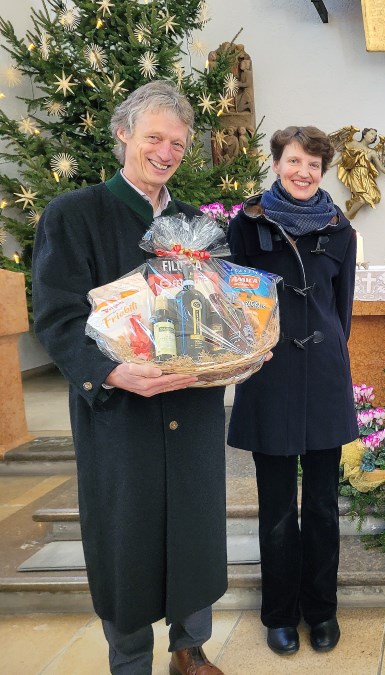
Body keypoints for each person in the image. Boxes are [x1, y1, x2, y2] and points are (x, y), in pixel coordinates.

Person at [32, 81, 228, 674]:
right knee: (126, 543)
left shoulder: (198, 225)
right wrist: (111, 373)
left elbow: (219, 315)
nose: (166, 152)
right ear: (124, 134)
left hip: (190, 412)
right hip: (119, 417)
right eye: (154, 138)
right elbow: (57, 317)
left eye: (177, 142)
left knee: (193, 532)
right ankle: (131, 662)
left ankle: (190, 651)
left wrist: (239, 348)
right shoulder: (74, 215)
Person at [227, 126, 358, 656]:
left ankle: (321, 610)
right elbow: (231, 300)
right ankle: (280, 614)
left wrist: (324, 351)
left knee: (324, 506)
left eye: (314, 165)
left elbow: (341, 308)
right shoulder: (246, 223)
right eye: (295, 161)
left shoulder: (340, 227)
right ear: (277, 162)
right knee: (277, 507)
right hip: (270, 377)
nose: (304, 172)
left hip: (323, 375)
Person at [331, 127, 385, 218]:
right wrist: (330, 165)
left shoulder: (372, 152)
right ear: (364, 134)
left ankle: (348, 214)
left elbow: (381, 168)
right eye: (372, 133)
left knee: (371, 196)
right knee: (362, 199)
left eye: (375, 136)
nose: (374, 136)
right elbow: (344, 157)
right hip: (355, 173)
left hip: (365, 177)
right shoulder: (353, 144)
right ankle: (348, 215)